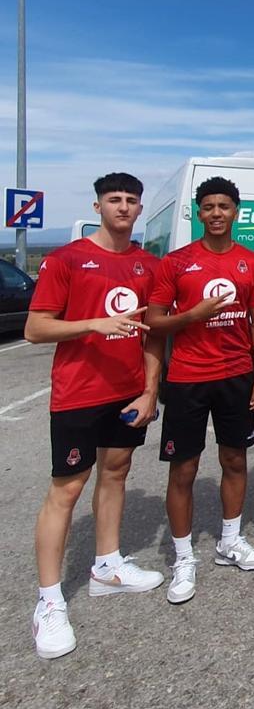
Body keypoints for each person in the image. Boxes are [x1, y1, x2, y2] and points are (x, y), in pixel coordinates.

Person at [26, 172, 165, 659]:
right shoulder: (66, 260)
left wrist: (150, 392)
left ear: (140, 208)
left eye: (130, 200)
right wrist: (92, 323)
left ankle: (107, 566)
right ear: (98, 205)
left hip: (127, 394)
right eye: (114, 200)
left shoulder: (148, 265)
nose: (123, 207)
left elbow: (152, 335)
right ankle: (48, 601)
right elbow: (35, 328)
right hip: (78, 394)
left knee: (117, 472)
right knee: (66, 488)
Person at [147, 176, 254, 604]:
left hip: (237, 376)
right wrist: (193, 315)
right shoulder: (177, 263)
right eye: (209, 207)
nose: (216, 213)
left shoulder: (251, 264)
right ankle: (183, 558)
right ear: (198, 213)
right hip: (188, 379)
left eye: (224, 206)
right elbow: (154, 322)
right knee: (184, 469)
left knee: (235, 459)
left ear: (236, 211)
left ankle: (229, 541)